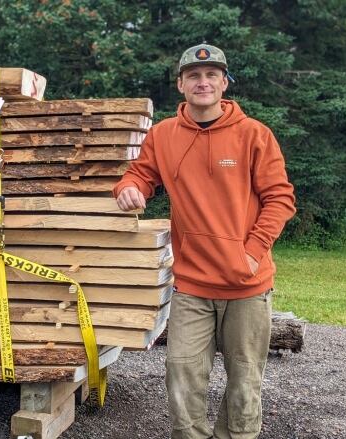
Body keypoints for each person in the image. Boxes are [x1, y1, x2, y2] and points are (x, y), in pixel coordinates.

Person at [113, 44, 296, 439]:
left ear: (224, 83)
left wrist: (251, 253)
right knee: (182, 376)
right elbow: (140, 174)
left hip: (247, 287)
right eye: (194, 76)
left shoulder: (254, 135)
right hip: (192, 285)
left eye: (212, 75)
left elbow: (280, 199)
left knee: (245, 386)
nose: (203, 82)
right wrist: (129, 188)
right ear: (181, 84)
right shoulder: (163, 135)